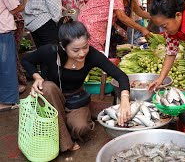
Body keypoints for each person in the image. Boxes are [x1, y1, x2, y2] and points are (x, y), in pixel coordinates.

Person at [22, 18, 131, 151]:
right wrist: (37, 77)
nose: (82, 53)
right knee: (47, 86)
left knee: (81, 129)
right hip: (51, 99)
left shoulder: (92, 55)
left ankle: (74, 120)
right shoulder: (50, 51)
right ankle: (66, 142)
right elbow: (26, 61)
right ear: (63, 46)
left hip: (76, 98)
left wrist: (125, 99)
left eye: (85, 47)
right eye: (75, 50)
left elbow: (121, 76)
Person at [78, 0, 150, 52]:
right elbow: (121, 16)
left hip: (92, 26)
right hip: (92, 27)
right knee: (97, 56)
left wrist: (153, 17)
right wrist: (142, 29)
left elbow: (139, 12)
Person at [22, 0, 62, 78]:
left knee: (44, 58)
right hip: (45, 20)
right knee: (53, 59)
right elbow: (52, 1)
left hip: (33, 20)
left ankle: (45, 88)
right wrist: (58, 19)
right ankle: (53, 89)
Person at [0, 0, 26, 111]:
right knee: (7, 67)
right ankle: (7, 101)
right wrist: (25, 3)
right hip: (3, 28)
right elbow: (13, 8)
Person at [12, 0, 28, 94]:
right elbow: (11, 9)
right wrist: (24, 4)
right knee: (11, 54)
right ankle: (16, 83)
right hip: (10, 22)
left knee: (13, 53)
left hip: (15, 21)